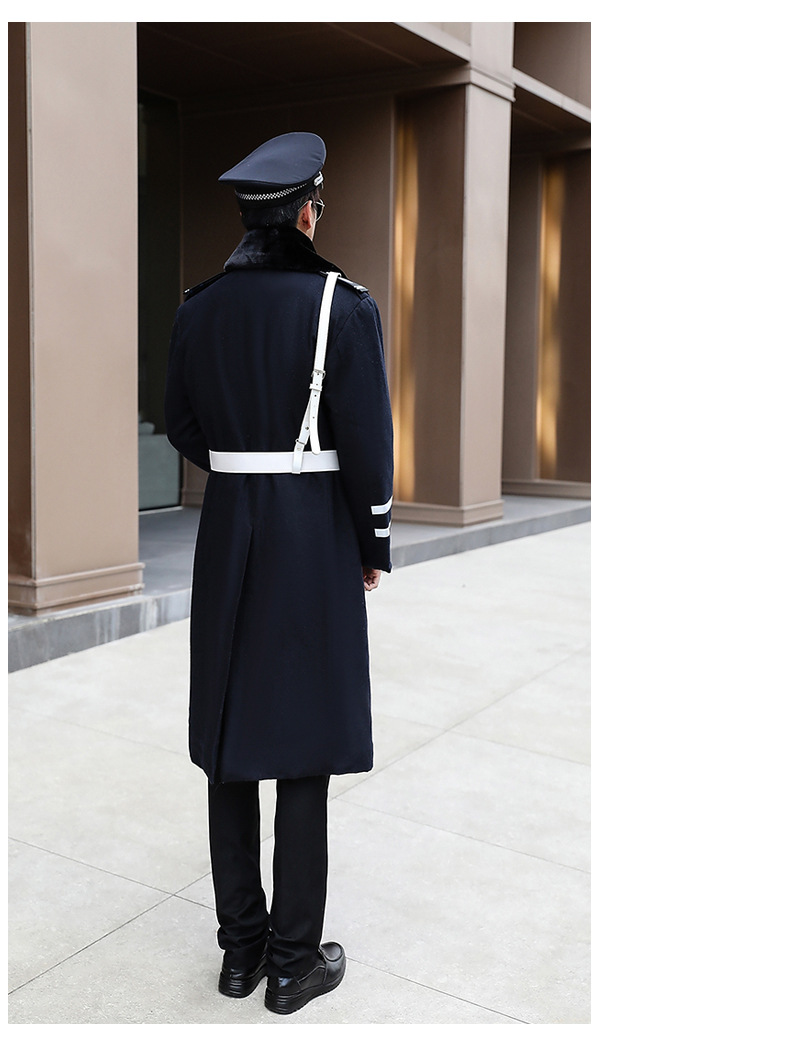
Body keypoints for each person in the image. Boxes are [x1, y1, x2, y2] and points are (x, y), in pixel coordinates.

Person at [164, 131, 394, 1015]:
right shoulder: (343, 305)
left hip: (229, 531)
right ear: (305, 214)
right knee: (303, 749)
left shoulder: (199, 306)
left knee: (230, 745)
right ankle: (294, 964)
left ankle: (240, 953)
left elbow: (182, 424)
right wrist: (370, 544)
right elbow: (367, 445)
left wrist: (242, 464)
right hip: (311, 538)